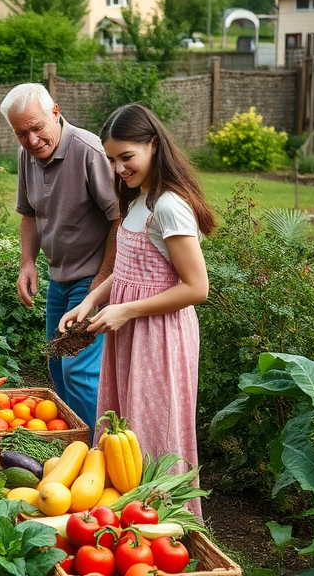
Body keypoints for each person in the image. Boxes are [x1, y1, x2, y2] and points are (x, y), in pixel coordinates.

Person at [59, 103, 215, 518]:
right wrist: (91, 301)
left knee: (151, 427)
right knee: (125, 423)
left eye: (126, 157)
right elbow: (129, 272)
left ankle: (166, 519)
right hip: (131, 329)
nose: (118, 168)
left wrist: (127, 311)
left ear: (154, 145)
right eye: (111, 159)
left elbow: (196, 287)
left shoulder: (169, 206)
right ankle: (126, 515)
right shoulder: (139, 200)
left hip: (160, 334)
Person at [0, 83, 120, 432]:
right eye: (22, 133)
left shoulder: (88, 151)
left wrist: (100, 283)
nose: (32, 140)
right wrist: (27, 263)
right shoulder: (28, 155)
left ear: (55, 111)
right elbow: (28, 214)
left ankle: (107, 445)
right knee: (56, 363)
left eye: (37, 128)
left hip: (93, 277)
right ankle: (77, 443)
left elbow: (119, 218)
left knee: (78, 369)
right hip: (59, 279)